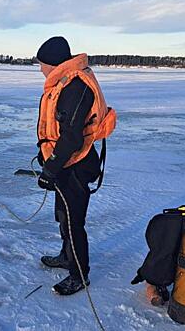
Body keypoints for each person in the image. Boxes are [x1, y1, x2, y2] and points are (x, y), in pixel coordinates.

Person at [35, 36, 116, 295]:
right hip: (65, 162)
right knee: (62, 214)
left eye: (42, 63)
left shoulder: (75, 87)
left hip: (76, 164)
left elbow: (71, 137)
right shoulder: (63, 82)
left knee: (73, 221)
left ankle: (79, 274)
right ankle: (66, 256)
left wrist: (51, 168)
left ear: (53, 63)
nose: (40, 69)